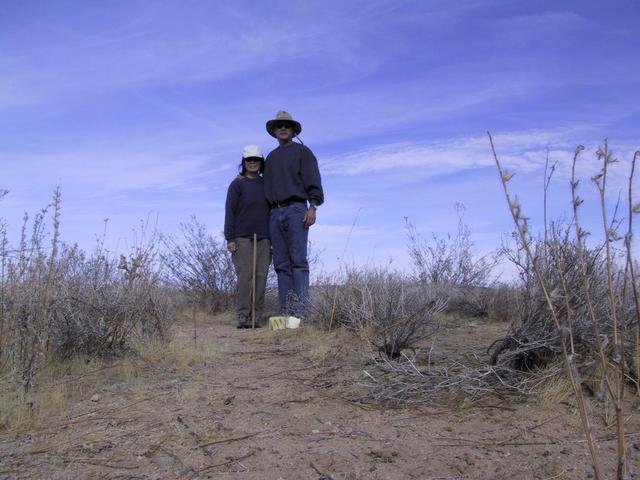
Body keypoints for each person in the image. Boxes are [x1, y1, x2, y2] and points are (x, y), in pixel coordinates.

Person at [263, 111, 324, 317]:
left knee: (298, 261)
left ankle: (301, 312)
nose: (282, 128)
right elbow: (263, 186)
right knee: (281, 264)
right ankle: (286, 312)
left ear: (293, 130)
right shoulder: (270, 158)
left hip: (297, 209)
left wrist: (313, 206)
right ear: (274, 131)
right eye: (279, 126)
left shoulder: (303, 152)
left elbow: (313, 180)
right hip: (274, 212)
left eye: (286, 126)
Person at [224, 145, 271, 329]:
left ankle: (256, 317)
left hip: (264, 238)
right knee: (245, 278)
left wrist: (273, 240)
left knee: (261, 277)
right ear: (244, 162)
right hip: (242, 238)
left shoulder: (266, 184)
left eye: (256, 160)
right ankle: (243, 316)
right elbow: (230, 212)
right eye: (249, 160)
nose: (253, 163)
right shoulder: (237, 184)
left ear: (261, 162)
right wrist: (230, 239)